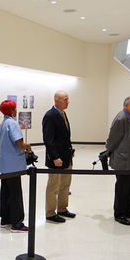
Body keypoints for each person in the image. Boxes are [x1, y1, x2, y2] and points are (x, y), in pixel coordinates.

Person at [105, 96, 130, 226]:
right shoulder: (121, 118)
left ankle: (128, 210)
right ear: (126, 105)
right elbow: (112, 139)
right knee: (122, 187)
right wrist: (109, 151)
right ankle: (119, 214)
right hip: (123, 160)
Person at [0, 99, 31, 232]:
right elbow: (20, 144)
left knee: (5, 191)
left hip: (5, 164)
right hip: (14, 165)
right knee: (15, 193)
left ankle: (5, 218)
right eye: (15, 108)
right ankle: (17, 223)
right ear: (11, 110)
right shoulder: (13, 124)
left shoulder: (2, 125)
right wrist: (27, 146)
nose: (16, 110)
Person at [42, 90, 75, 224]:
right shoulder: (50, 116)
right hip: (56, 159)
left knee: (65, 185)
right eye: (65, 99)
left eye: (68, 99)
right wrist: (55, 157)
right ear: (57, 101)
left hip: (66, 157)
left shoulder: (63, 114)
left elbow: (64, 136)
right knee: (53, 186)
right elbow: (48, 139)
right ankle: (50, 213)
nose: (68, 102)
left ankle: (62, 209)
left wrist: (70, 149)